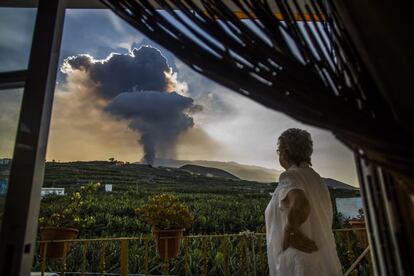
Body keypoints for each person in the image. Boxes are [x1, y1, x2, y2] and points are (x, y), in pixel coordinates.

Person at [265, 128, 342, 276]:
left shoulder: (290, 176)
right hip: (323, 261)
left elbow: (301, 204)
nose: (279, 154)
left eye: (278, 150)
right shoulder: (316, 178)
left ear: (286, 152)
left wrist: (290, 232)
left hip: (300, 264)